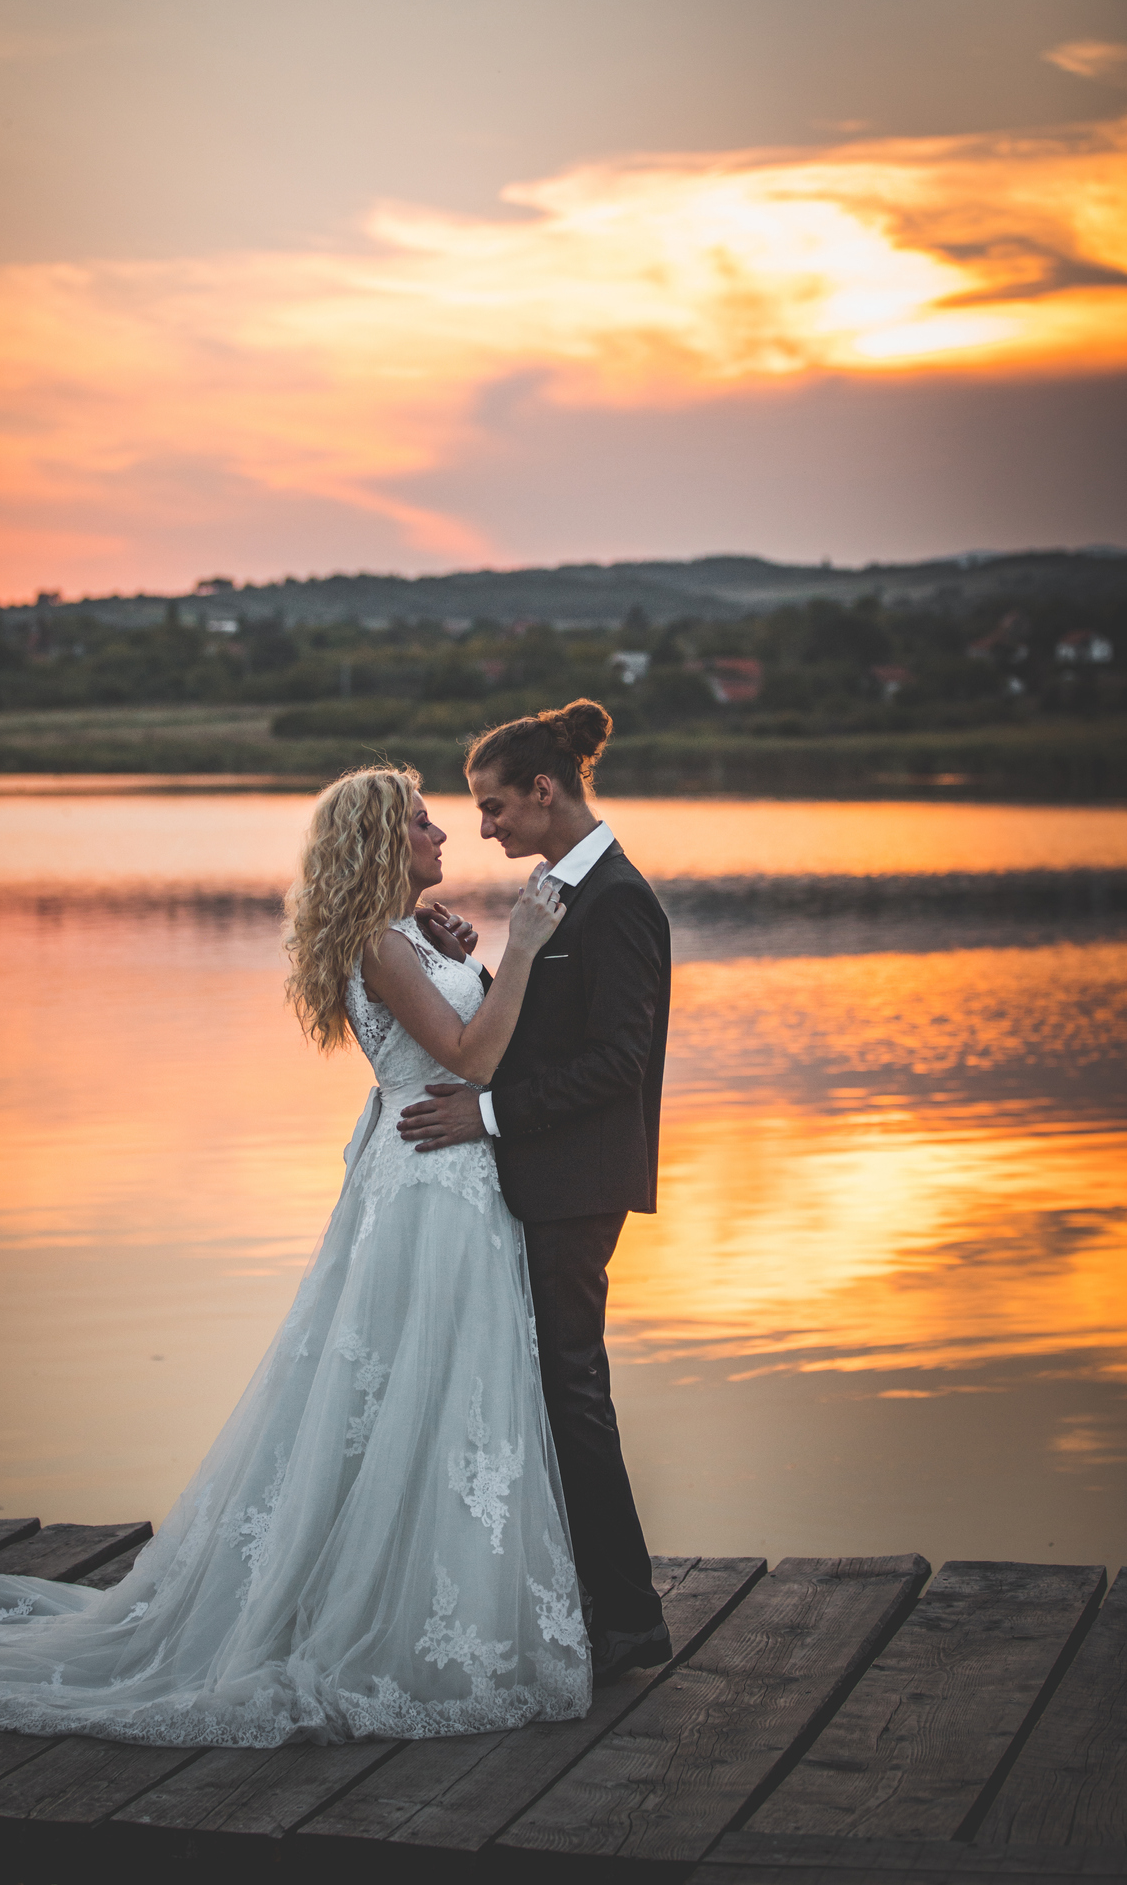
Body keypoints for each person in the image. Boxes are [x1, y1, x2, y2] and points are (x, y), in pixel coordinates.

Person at [0, 768, 592, 1747]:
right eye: (420, 822)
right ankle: (377, 1617)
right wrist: (527, 947)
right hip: (428, 1195)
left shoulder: (416, 936)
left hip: (453, 1184)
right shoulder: (376, 945)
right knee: (421, 1390)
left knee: (451, 1395)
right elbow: (475, 1058)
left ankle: (433, 1601)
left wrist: (479, 959)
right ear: (380, 844)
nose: (442, 833)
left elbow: (467, 1034)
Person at [397, 700, 674, 1685]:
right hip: (543, 1178)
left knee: (571, 1390)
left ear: (543, 792)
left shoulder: (618, 901)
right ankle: (585, 1602)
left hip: (572, 1183)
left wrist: (489, 1118)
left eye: (492, 806)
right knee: (550, 1390)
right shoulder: (562, 891)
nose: (482, 827)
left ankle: (632, 1621)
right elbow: (547, 1023)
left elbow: (616, 1064)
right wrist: (463, 965)